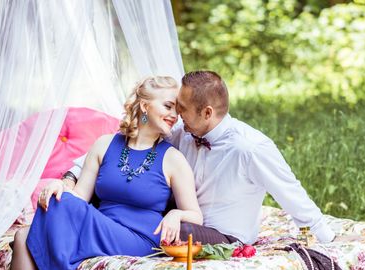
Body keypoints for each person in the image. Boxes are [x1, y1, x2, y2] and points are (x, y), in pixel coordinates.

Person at [0, 76, 203, 270]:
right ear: (144, 106)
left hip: (140, 239)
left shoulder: (173, 158)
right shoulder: (104, 145)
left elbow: (195, 215)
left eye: (176, 110)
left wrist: (176, 215)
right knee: (24, 236)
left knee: (52, 214)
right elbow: (80, 199)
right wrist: (60, 185)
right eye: (168, 106)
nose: (174, 116)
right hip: (101, 227)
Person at [46, 70, 335, 245]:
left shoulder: (251, 148)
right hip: (176, 220)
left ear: (207, 113)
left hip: (221, 235)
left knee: (166, 231)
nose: (175, 115)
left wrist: (326, 237)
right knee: (110, 194)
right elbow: (117, 150)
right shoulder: (182, 130)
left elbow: (290, 192)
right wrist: (70, 178)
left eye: (182, 108)